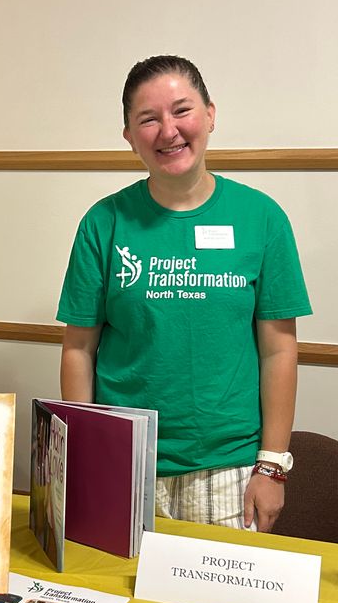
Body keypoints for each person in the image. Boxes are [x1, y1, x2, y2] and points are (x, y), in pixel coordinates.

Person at [57, 55, 311, 531]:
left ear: (210, 114)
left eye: (182, 110)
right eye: (147, 119)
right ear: (129, 136)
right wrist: (91, 456)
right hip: (126, 464)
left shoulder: (261, 218)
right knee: (120, 599)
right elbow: (78, 349)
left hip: (230, 470)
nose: (167, 131)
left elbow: (279, 350)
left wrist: (272, 464)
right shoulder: (103, 223)